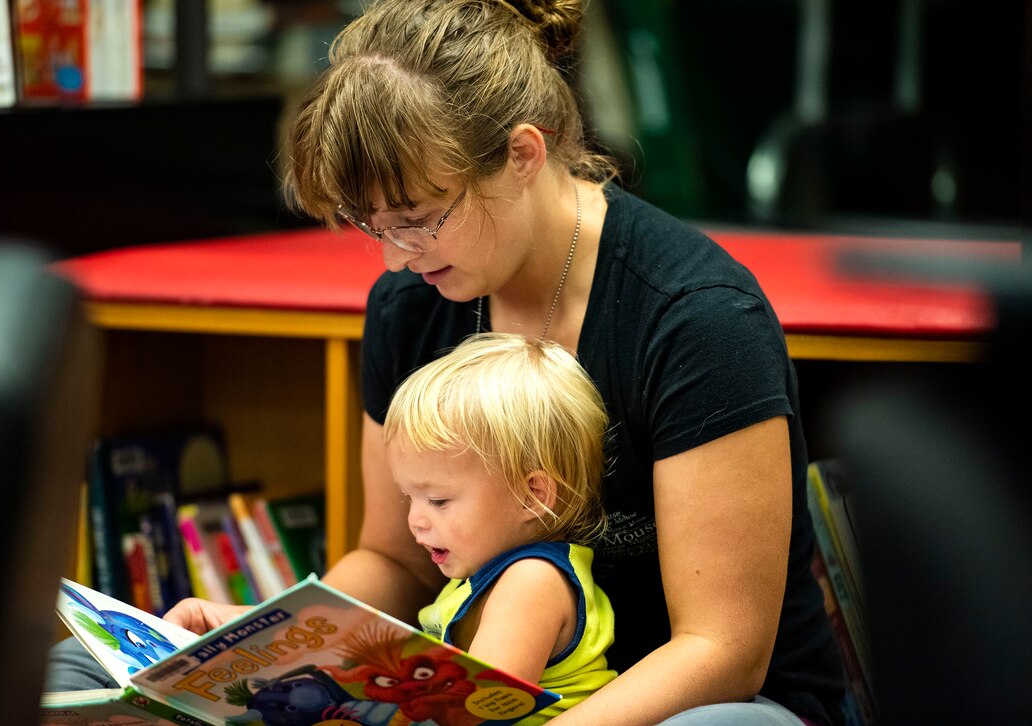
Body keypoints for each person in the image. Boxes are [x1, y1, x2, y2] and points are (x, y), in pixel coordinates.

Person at [47, 0, 846, 723]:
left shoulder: (695, 318)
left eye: (420, 220)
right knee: (73, 670)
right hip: (485, 702)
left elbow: (721, 651)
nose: (395, 258)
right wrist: (254, 642)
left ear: (525, 155)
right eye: (370, 226)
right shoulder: (412, 302)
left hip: (692, 704)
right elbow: (396, 559)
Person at [383, 331, 616, 720]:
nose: (415, 520)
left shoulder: (531, 583)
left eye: (438, 501)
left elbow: (478, 712)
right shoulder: (484, 571)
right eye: (410, 498)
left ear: (533, 496)